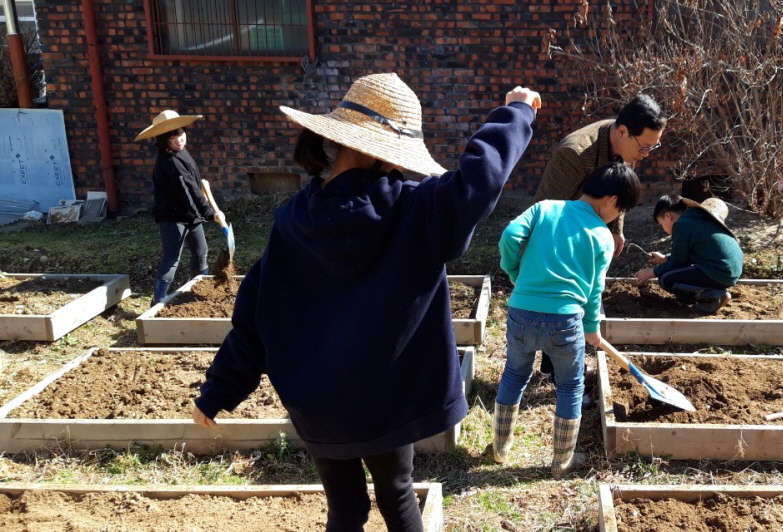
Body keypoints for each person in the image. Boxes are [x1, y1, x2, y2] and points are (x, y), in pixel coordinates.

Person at [190, 73, 541, 532]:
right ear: (389, 154)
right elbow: (478, 182)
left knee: (347, 508)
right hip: (385, 399)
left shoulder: (293, 221)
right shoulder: (415, 211)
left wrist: (217, 393)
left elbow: (255, 317)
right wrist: (515, 113)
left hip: (318, 403)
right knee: (396, 493)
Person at [492, 161, 641, 478]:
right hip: (565, 321)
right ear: (612, 200)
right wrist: (592, 329)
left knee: (515, 376)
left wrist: (515, 272)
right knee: (571, 386)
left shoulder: (545, 209)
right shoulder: (601, 235)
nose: (616, 218)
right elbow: (594, 291)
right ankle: (561, 462)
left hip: (521, 312)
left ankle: (500, 449)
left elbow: (509, 235)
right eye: (621, 209)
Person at [533, 94, 665, 378]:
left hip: (588, 227)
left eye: (653, 147)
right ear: (622, 132)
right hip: (559, 233)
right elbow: (546, 208)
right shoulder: (574, 154)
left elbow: (620, 187)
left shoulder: (627, 143)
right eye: (645, 147)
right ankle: (563, 371)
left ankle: (554, 363)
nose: (646, 154)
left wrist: (616, 230)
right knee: (567, 299)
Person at [135, 110, 226, 305]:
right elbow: (189, 193)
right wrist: (210, 214)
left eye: (180, 132)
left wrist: (202, 197)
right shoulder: (170, 161)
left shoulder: (181, 152)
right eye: (172, 136)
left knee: (201, 252)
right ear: (163, 139)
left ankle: (202, 291)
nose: (178, 139)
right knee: (172, 258)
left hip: (190, 214)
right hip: (172, 217)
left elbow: (192, 186)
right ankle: (158, 301)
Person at [634, 195, 742, 314]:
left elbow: (678, 262)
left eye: (661, 224)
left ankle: (713, 296)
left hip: (718, 272)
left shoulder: (682, 224)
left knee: (666, 279)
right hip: (729, 272)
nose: (663, 229)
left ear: (668, 216)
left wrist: (653, 271)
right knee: (676, 272)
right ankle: (701, 293)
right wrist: (665, 258)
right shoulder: (698, 222)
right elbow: (688, 254)